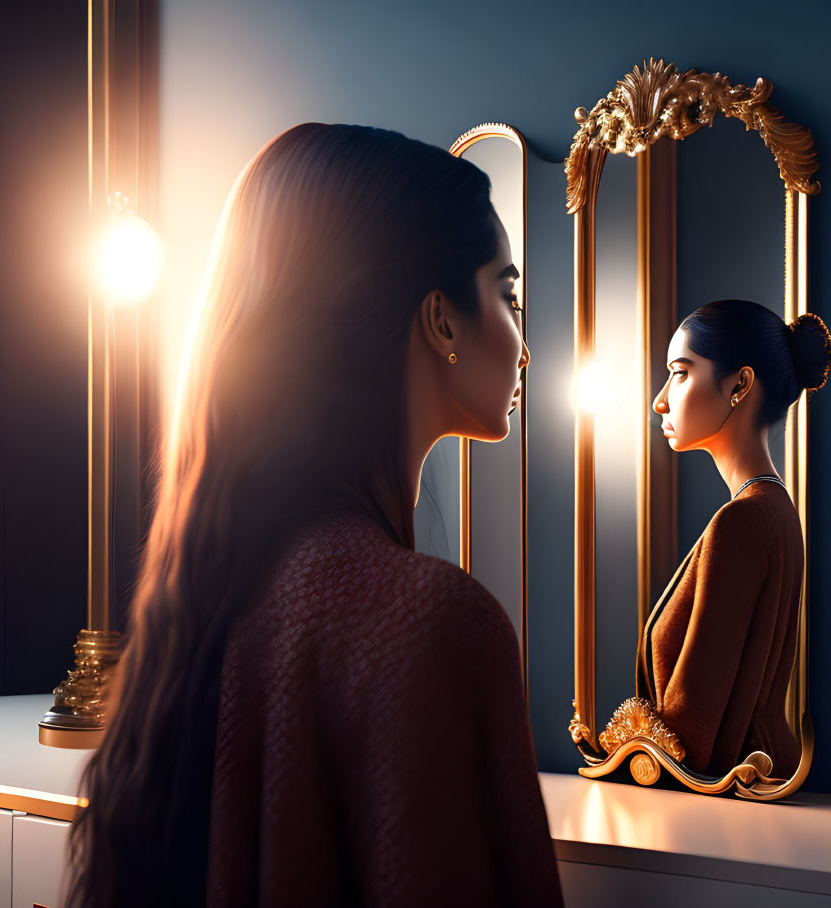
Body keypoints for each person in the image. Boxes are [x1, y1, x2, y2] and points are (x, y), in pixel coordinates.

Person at [66, 123, 563, 907]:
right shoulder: (432, 620)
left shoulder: (217, 585)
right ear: (440, 321)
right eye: (506, 294)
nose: (525, 344)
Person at [637, 300, 831, 779]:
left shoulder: (741, 523)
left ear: (740, 385)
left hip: (729, 792)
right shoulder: (773, 509)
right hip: (754, 776)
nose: (660, 400)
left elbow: (691, 731)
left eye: (680, 373)